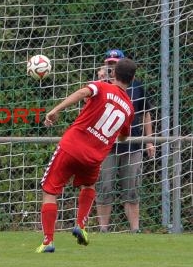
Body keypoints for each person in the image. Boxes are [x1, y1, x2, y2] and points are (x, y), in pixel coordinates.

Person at [35, 58, 137, 253]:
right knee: (89, 186)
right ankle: (81, 226)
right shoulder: (129, 108)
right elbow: (124, 137)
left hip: (71, 147)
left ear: (113, 74)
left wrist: (55, 110)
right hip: (94, 157)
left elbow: (83, 92)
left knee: (50, 191)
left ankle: (48, 241)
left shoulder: (101, 87)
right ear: (132, 79)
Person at [95, 49, 155, 233]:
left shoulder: (137, 87)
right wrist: (99, 80)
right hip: (106, 145)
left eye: (115, 64)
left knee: (132, 190)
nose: (111, 67)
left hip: (132, 145)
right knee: (105, 187)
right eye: (109, 64)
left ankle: (134, 230)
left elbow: (145, 114)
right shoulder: (100, 86)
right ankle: (103, 229)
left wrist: (149, 140)